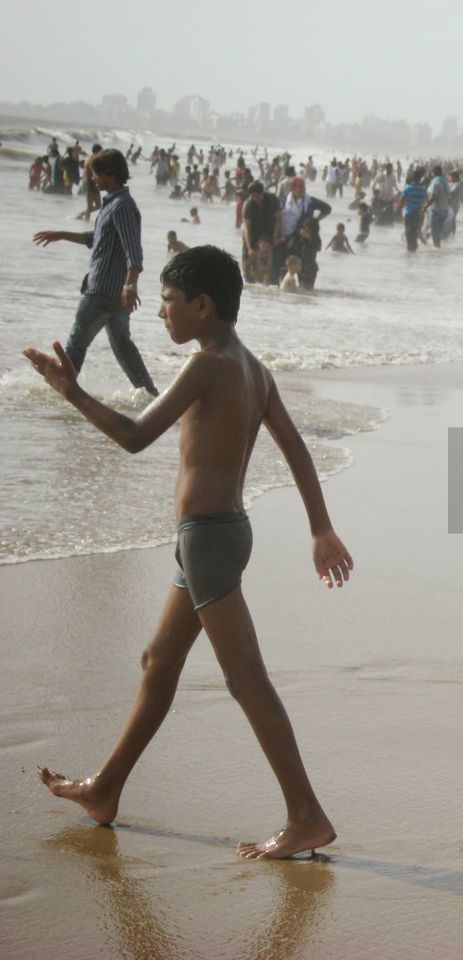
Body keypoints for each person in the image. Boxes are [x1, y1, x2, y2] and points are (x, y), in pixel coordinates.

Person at [24, 245, 354, 861]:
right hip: (217, 534)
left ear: (203, 306)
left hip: (208, 540)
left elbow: (133, 436)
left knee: (245, 676)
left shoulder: (208, 366)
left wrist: (71, 390)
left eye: (170, 302)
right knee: (159, 661)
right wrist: (319, 528)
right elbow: (297, 451)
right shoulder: (252, 366)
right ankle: (106, 789)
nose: (160, 314)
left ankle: (306, 815)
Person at [31, 148, 160, 397]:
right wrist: (61, 234)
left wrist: (131, 286)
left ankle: (64, 393)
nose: (92, 179)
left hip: (103, 290)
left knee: (76, 343)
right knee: (124, 348)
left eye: (95, 174)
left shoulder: (121, 206)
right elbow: (99, 238)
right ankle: (150, 397)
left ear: (109, 173)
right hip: (115, 294)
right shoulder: (114, 205)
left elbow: (133, 250)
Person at [241, 181, 282, 284]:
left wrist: (275, 236)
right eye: (253, 196)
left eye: (258, 196)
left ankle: (273, 286)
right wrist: (250, 248)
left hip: (269, 233)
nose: (256, 199)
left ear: (262, 193)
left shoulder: (272, 199)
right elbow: (247, 228)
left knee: (274, 267)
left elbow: (278, 219)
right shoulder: (248, 204)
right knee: (248, 267)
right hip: (253, 235)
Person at [400, 170, 428, 252]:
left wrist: (400, 209)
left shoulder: (407, 187)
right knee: (415, 232)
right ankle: (414, 250)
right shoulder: (423, 189)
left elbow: (401, 201)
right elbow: (425, 200)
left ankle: (410, 250)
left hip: (408, 212)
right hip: (417, 213)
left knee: (408, 231)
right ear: (420, 178)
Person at [425, 165, 451, 248]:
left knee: (434, 232)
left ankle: (437, 248)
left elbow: (434, 197)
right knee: (438, 232)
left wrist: (425, 207)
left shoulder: (436, 183)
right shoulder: (445, 182)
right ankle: (438, 249)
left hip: (437, 211)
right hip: (445, 210)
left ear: (433, 173)